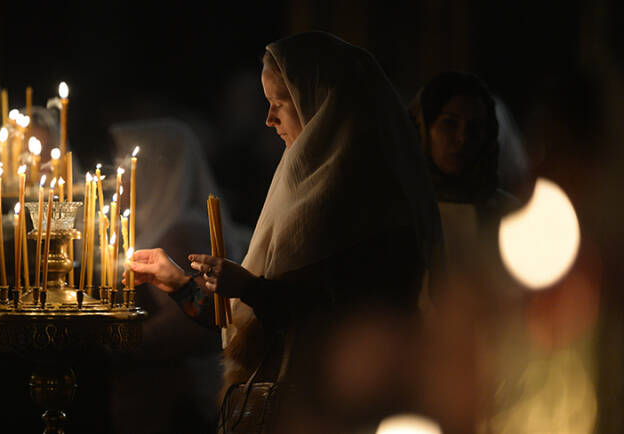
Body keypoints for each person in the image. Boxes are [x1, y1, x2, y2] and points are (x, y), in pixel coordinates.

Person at [128, 31, 442, 431]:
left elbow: (346, 322)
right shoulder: (296, 185)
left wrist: (250, 288)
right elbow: (243, 326)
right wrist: (177, 282)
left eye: (280, 104)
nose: (269, 119)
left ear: (323, 104)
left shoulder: (373, 199)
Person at [107, 118, 251, 433]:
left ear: (155, 171)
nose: (118, 180)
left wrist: (113, 341)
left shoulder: (184, 232)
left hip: (178, 402)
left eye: (127, 167)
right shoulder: (166, 225)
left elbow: (193, 326)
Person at [408, 72, 521, 289]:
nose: (462, 138)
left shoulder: (510, 214)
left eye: (475, 128)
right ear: (422, 129)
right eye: (449, 124)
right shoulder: (403, 211)